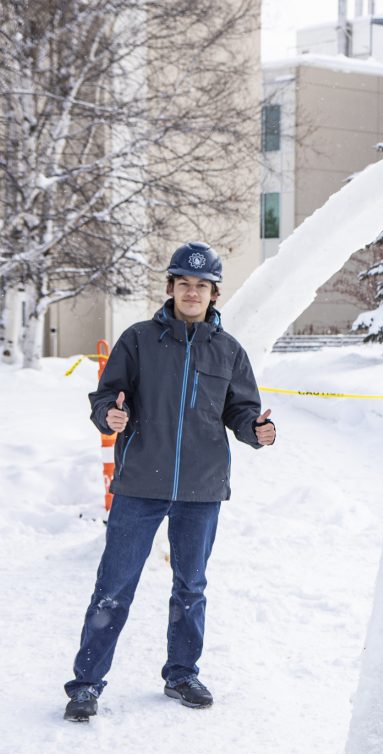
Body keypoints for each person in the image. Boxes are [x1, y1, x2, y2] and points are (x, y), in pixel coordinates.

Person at [63, 242, 276, 722]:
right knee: (114, 586)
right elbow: (106, 396)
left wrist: (256, 431)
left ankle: (181, 674)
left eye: (201, 286)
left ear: (214, 293)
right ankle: (85, 685)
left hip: (201, 489)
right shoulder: (139, 339)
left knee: (191, 586)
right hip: (140, 483)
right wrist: (110, 416)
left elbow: (241, 410)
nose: (192, 292)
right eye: (184, 283)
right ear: (171, 288)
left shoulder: (228, 350)